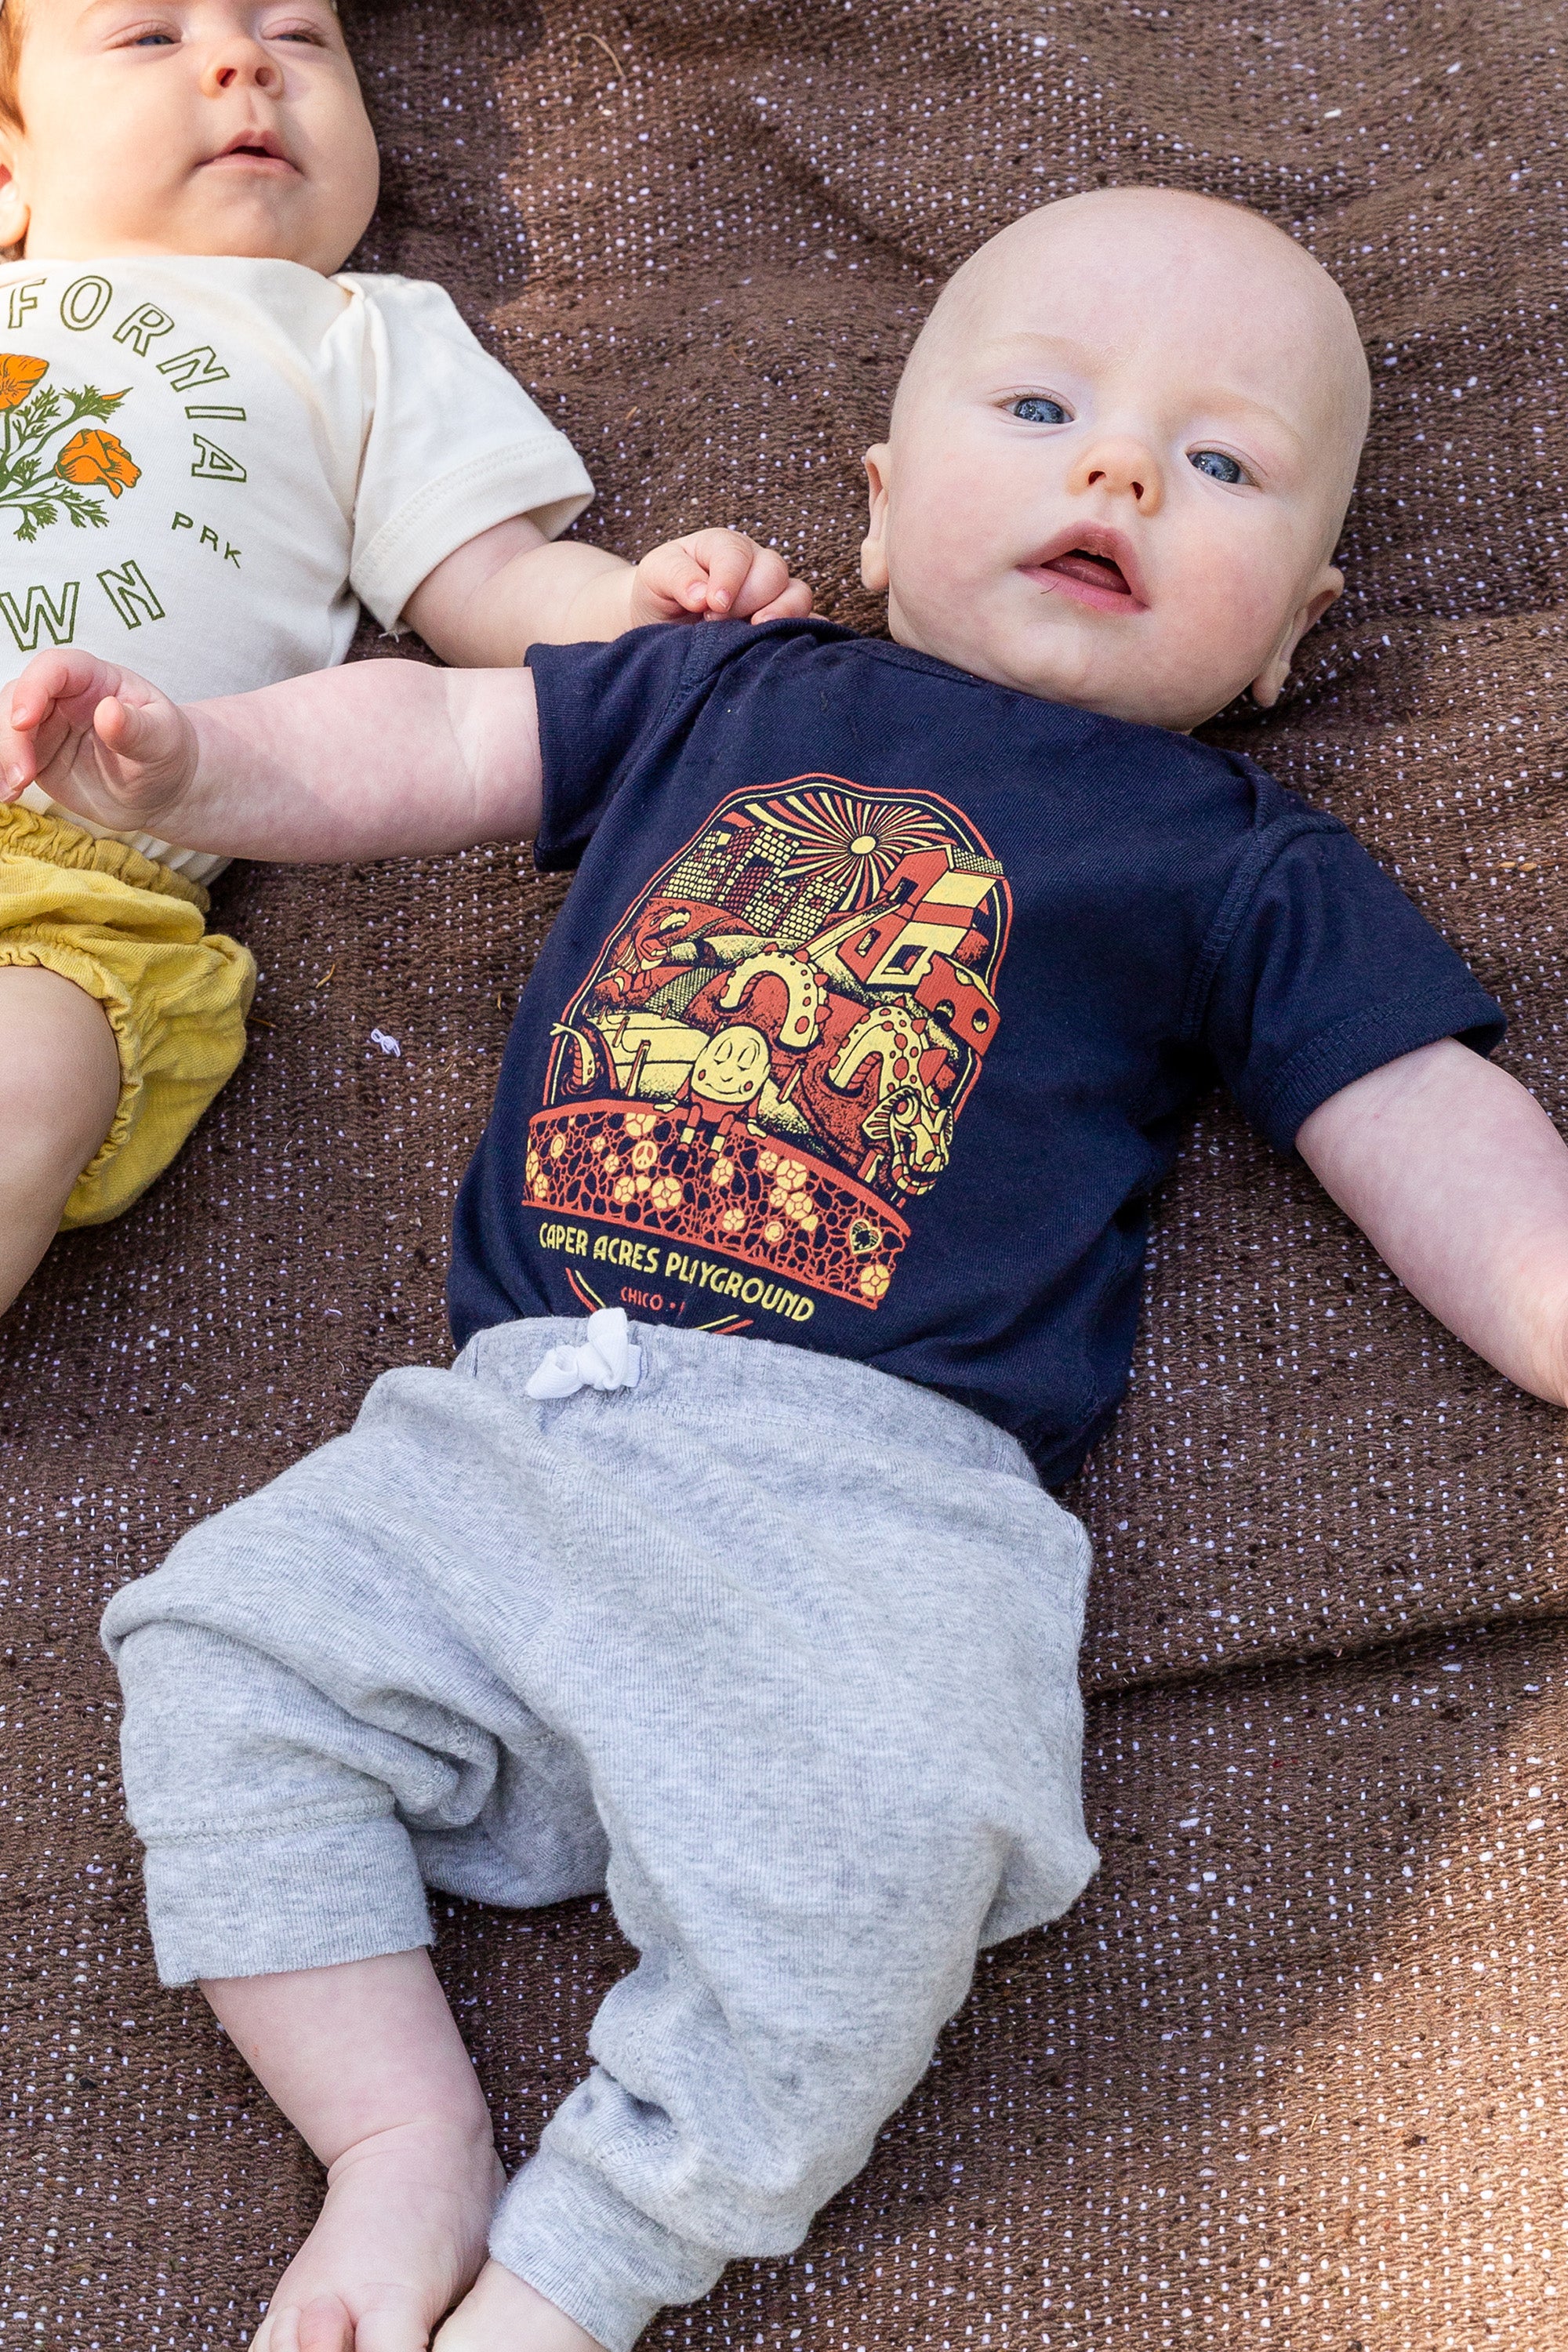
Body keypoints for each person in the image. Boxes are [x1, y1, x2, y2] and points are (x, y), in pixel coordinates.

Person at [6, 186, 1562, 2352]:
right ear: (887, 500)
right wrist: (214, 760)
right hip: (521, 1422)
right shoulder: (726, 685)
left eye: (1220, 465)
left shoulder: (1237, 860)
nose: (1119, 467)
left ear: (1294, 632)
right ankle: (397, 2144)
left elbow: (1440, 1142)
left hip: (874, 1505)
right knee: (213, 1658)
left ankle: (584, 2260)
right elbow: (442, 739)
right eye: (1044, 406)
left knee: (886, 1875)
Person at [0, 0, 808, 1316]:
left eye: (303, 38)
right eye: (150, 37)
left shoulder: (364, 336)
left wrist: (644, 622)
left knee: (30, 1084)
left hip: (70, 876)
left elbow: (484, 580)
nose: (244, 61)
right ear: (8, 171)